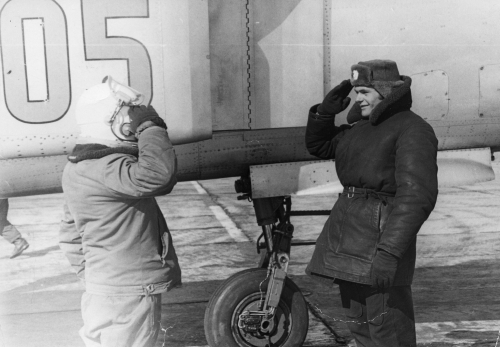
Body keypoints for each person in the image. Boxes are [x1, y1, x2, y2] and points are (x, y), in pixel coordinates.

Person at [305, 60, 438, 346]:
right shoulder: (360, 128)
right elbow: (320, 145)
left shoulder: (413, 129)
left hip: (380, 247)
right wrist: (324, 114)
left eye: (364, 91)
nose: (358, 98)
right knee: (362, 332)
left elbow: (417, 196)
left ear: (385, 92)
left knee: (388, 334)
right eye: (356, 92)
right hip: (349, 246)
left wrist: (389, 253)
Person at [58, 76, 181, 347]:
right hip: (132, 291)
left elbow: (69, 236)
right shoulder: (110, 167)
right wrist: (151, 126)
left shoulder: (75, 169)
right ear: (112, 122)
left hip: (100, 291)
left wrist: (99, 280)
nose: (133, 127)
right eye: (131, 119)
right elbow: (159, 175)